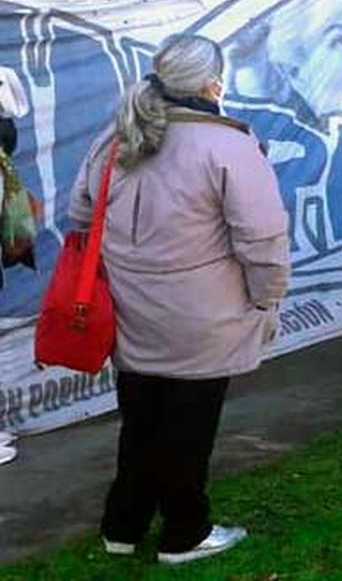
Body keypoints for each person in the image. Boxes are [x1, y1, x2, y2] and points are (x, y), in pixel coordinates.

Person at [72, 35, 290, 565]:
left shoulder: (115, 140)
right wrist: (267, 301)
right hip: (203, 317)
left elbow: (81, 218)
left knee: (142, 423)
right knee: (187, 432)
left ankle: (122, 527)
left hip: (128, 313)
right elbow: (262, 240)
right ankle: (184, 533)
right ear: (213, 82)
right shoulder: (229, 145)